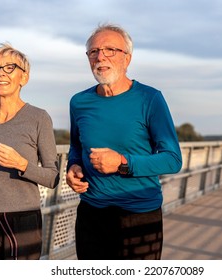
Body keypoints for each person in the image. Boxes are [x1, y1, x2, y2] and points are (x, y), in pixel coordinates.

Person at [66, 24, 182, 260]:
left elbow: (173, 159)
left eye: (110, 50)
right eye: (94, 51)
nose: (100, 57)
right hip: (91, 213)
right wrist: (73, 167)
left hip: (138, 213)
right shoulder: (78, 102)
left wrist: (122, 163)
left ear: (127, 58)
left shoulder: (150, 98)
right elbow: (76, 147)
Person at [0, 43, 60, 260]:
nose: (0, 74)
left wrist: (21, 164)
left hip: (21, 221)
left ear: (24, 78)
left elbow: (53, 177)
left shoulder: (39, 118)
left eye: (9, 68)